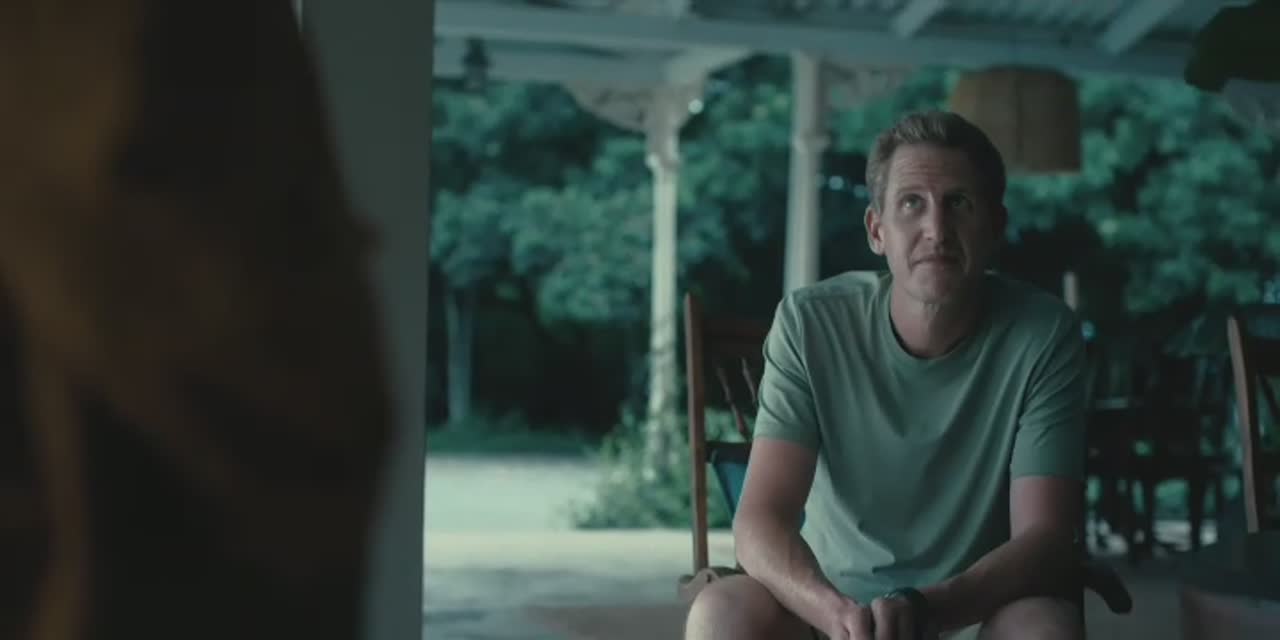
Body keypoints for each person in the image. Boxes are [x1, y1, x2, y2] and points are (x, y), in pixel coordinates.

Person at [684, 111, 1088, 640]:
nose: (936, 230)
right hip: (828, 610)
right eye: (911, 203)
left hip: (972, 611)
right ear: (878, 230)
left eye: (959, 203)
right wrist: (839, 616)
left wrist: (927, 610)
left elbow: (1044, 536)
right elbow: (760, 520)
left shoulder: (1044, 334)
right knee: (720, 612)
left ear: (995, 226)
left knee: (1047, 628)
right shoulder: (809, 323)